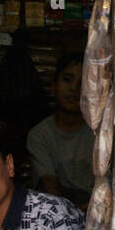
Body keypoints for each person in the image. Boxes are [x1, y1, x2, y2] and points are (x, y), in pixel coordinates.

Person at [27, 53, 94, 206]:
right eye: (67, 80)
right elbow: (49, 184)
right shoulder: (39, 135)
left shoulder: (99, 132)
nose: (74, 88)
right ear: (53, 86)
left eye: (82, 82)